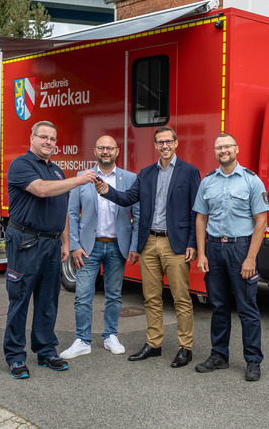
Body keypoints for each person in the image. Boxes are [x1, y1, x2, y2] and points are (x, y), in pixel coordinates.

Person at [95, 126, 200, 368]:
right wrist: (106, 190)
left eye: (168, 141)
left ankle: (186, 347)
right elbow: (128, 198)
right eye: (160, 142)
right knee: (151, 298)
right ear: (155, 146)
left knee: (181, 298)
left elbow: (196, 211)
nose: (164, 146)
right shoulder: (146, 173)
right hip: (149, 243)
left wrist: (193, 243)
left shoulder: (190, 172)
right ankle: (154, 343)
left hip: (176, 244)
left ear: (176, 143)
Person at [4, 120, 96, 379]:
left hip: (52, 243)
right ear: (31, 138)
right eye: (43, 137)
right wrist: (78, 180)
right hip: (26, 241)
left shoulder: (56, 170)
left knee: (48, 301)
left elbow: (63, 208)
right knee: (20, 298)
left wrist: (66, 241)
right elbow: (42, 191)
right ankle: (15, 356)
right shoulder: (21, 165)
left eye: (52, 138)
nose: (48, 142)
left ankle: (45, 350)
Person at [193, 133, 269, 381]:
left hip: (240, 249)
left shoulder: (251, 181)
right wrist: (202, 253)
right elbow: (201, 218)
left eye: (227, 146)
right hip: (214, 249)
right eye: (218, 147)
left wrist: (250, 258)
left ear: (236, 148)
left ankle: (253, 360)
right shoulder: (208, 182)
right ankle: (219, 355)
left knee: (247, 307)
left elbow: (261, 222)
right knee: (219, 306)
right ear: (214, 152)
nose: (223, 150)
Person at [59, 135, 140, 360]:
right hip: (88, 248)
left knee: (114, 295)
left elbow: (138, 214)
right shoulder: (82, 178)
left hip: (117, 247)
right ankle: (82, 340)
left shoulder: (130, 178)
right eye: (101, 148)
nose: (106, 151)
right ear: (95, 151)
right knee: (83, 296)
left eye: (110, 148)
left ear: (117, 151)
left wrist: (134, 246)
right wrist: (74, 245)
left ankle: (110, 335)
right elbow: (72, 213)